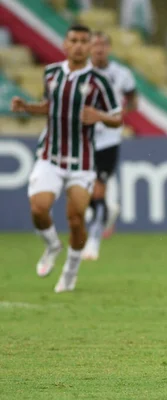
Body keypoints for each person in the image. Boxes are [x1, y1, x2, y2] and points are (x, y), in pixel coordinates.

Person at [10, 24, 122, 293]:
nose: (80, 45)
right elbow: (50, 106)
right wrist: (28, 107)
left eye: (85, 41)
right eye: (75, 40)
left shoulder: (99, 82)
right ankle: (51, 246)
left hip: (81, 161)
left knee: (75, 219)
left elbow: (117, 118)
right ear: (66, 44)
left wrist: (100, 117)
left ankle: (71, 270)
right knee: (38, 208)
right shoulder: (50, 73)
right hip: (49, 155)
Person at [81, 30, 138, 261]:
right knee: (82, 193)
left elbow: (133, 99)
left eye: (103, 45)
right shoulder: (81, 74)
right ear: (89, 48)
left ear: (109, 49)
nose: (99, 49)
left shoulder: (121, 74)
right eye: (95, 45)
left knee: (97, 189)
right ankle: (107, 209)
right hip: (82, 139)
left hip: (108, 139)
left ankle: (93, 241)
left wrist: (118, 113)